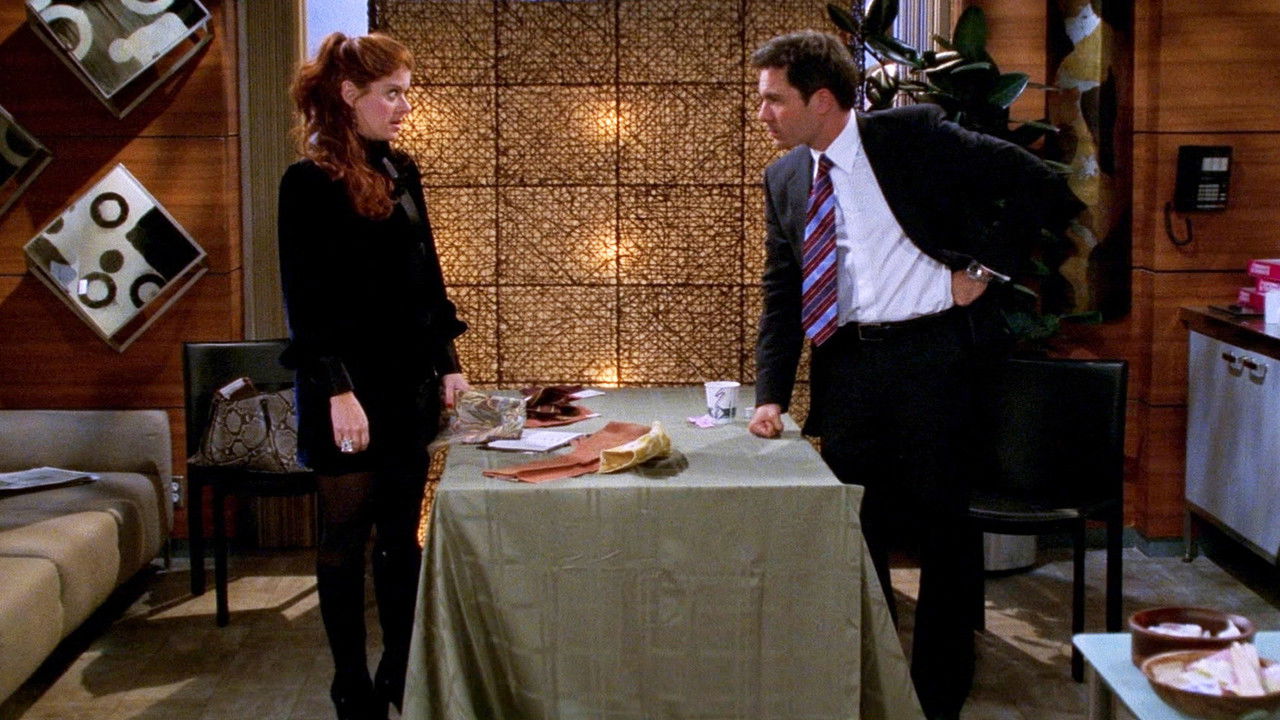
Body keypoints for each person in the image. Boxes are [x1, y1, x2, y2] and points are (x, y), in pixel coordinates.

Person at [746, 31, 1078, 720]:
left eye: (774, 100)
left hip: (934, 359)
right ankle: (873, 678)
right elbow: (783, 292)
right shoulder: (785, 178)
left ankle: (939, 692)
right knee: (858, 527)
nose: (763, 114)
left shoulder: (912, 138)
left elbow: (1040, 183)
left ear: (822, 99)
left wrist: (984, 269)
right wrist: (770, 395)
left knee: (943, 530)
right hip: (848, 368)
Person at [279, 32, 470, 720]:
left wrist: (449, 365)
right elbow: (306, 302)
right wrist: (338, 391)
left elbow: (427, 276)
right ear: (348, 94)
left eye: (405, 93)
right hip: (346, 391)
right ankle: (350, 685)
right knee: (343, 540)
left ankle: (397, 670)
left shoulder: (401, 169)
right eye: (391, 94)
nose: (404, 107)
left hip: (407, 383)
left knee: (399, 536)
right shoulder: (308, 183)